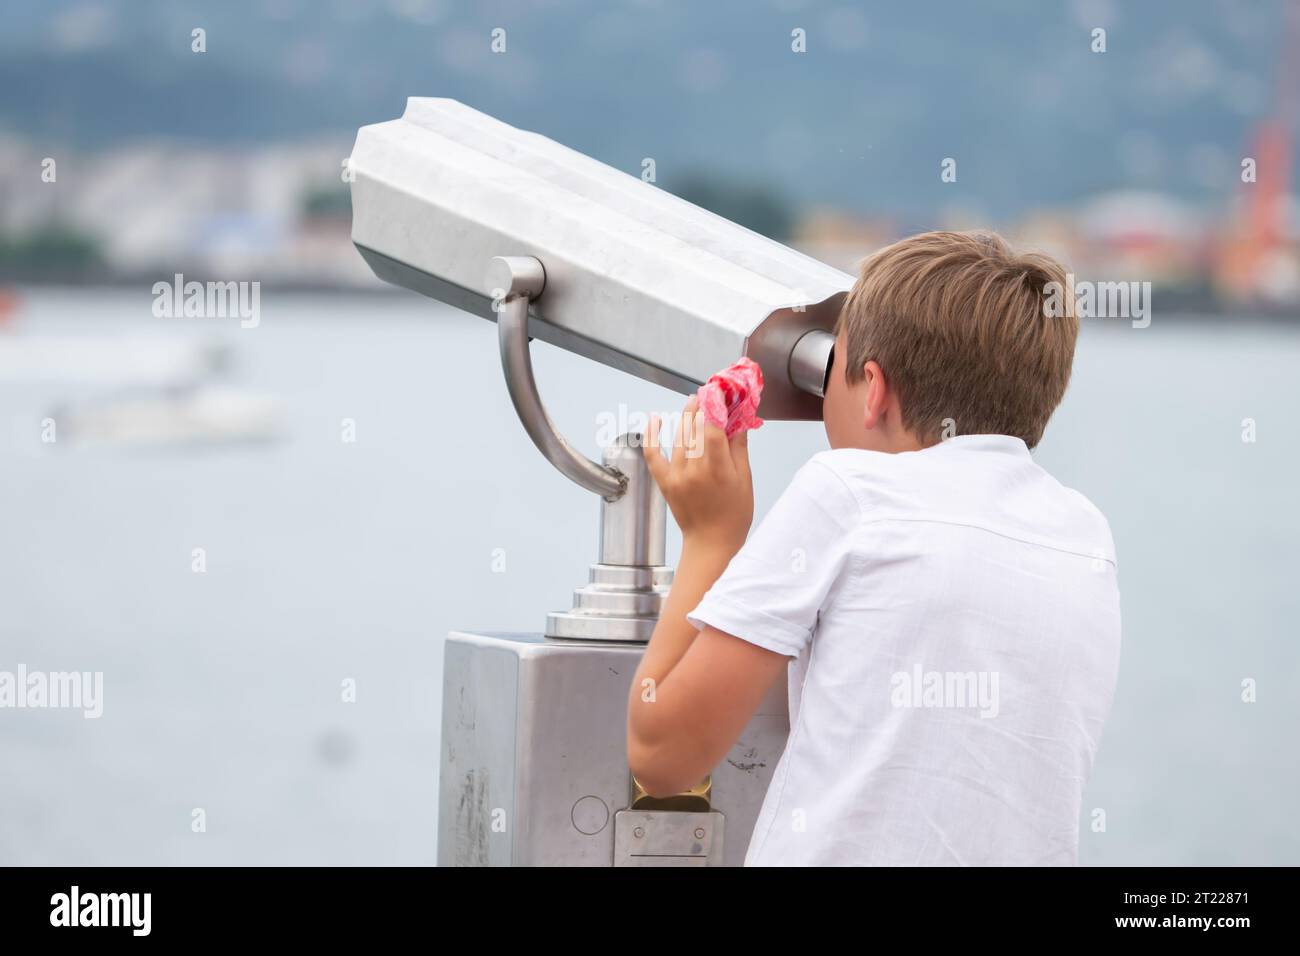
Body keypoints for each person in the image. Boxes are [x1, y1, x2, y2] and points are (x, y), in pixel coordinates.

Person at [626, 231, 1121, 866]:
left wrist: (710, 537)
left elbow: (663, 755)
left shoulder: (848, 493)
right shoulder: (1084, 536)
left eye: (835, 371)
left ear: (876, 389)